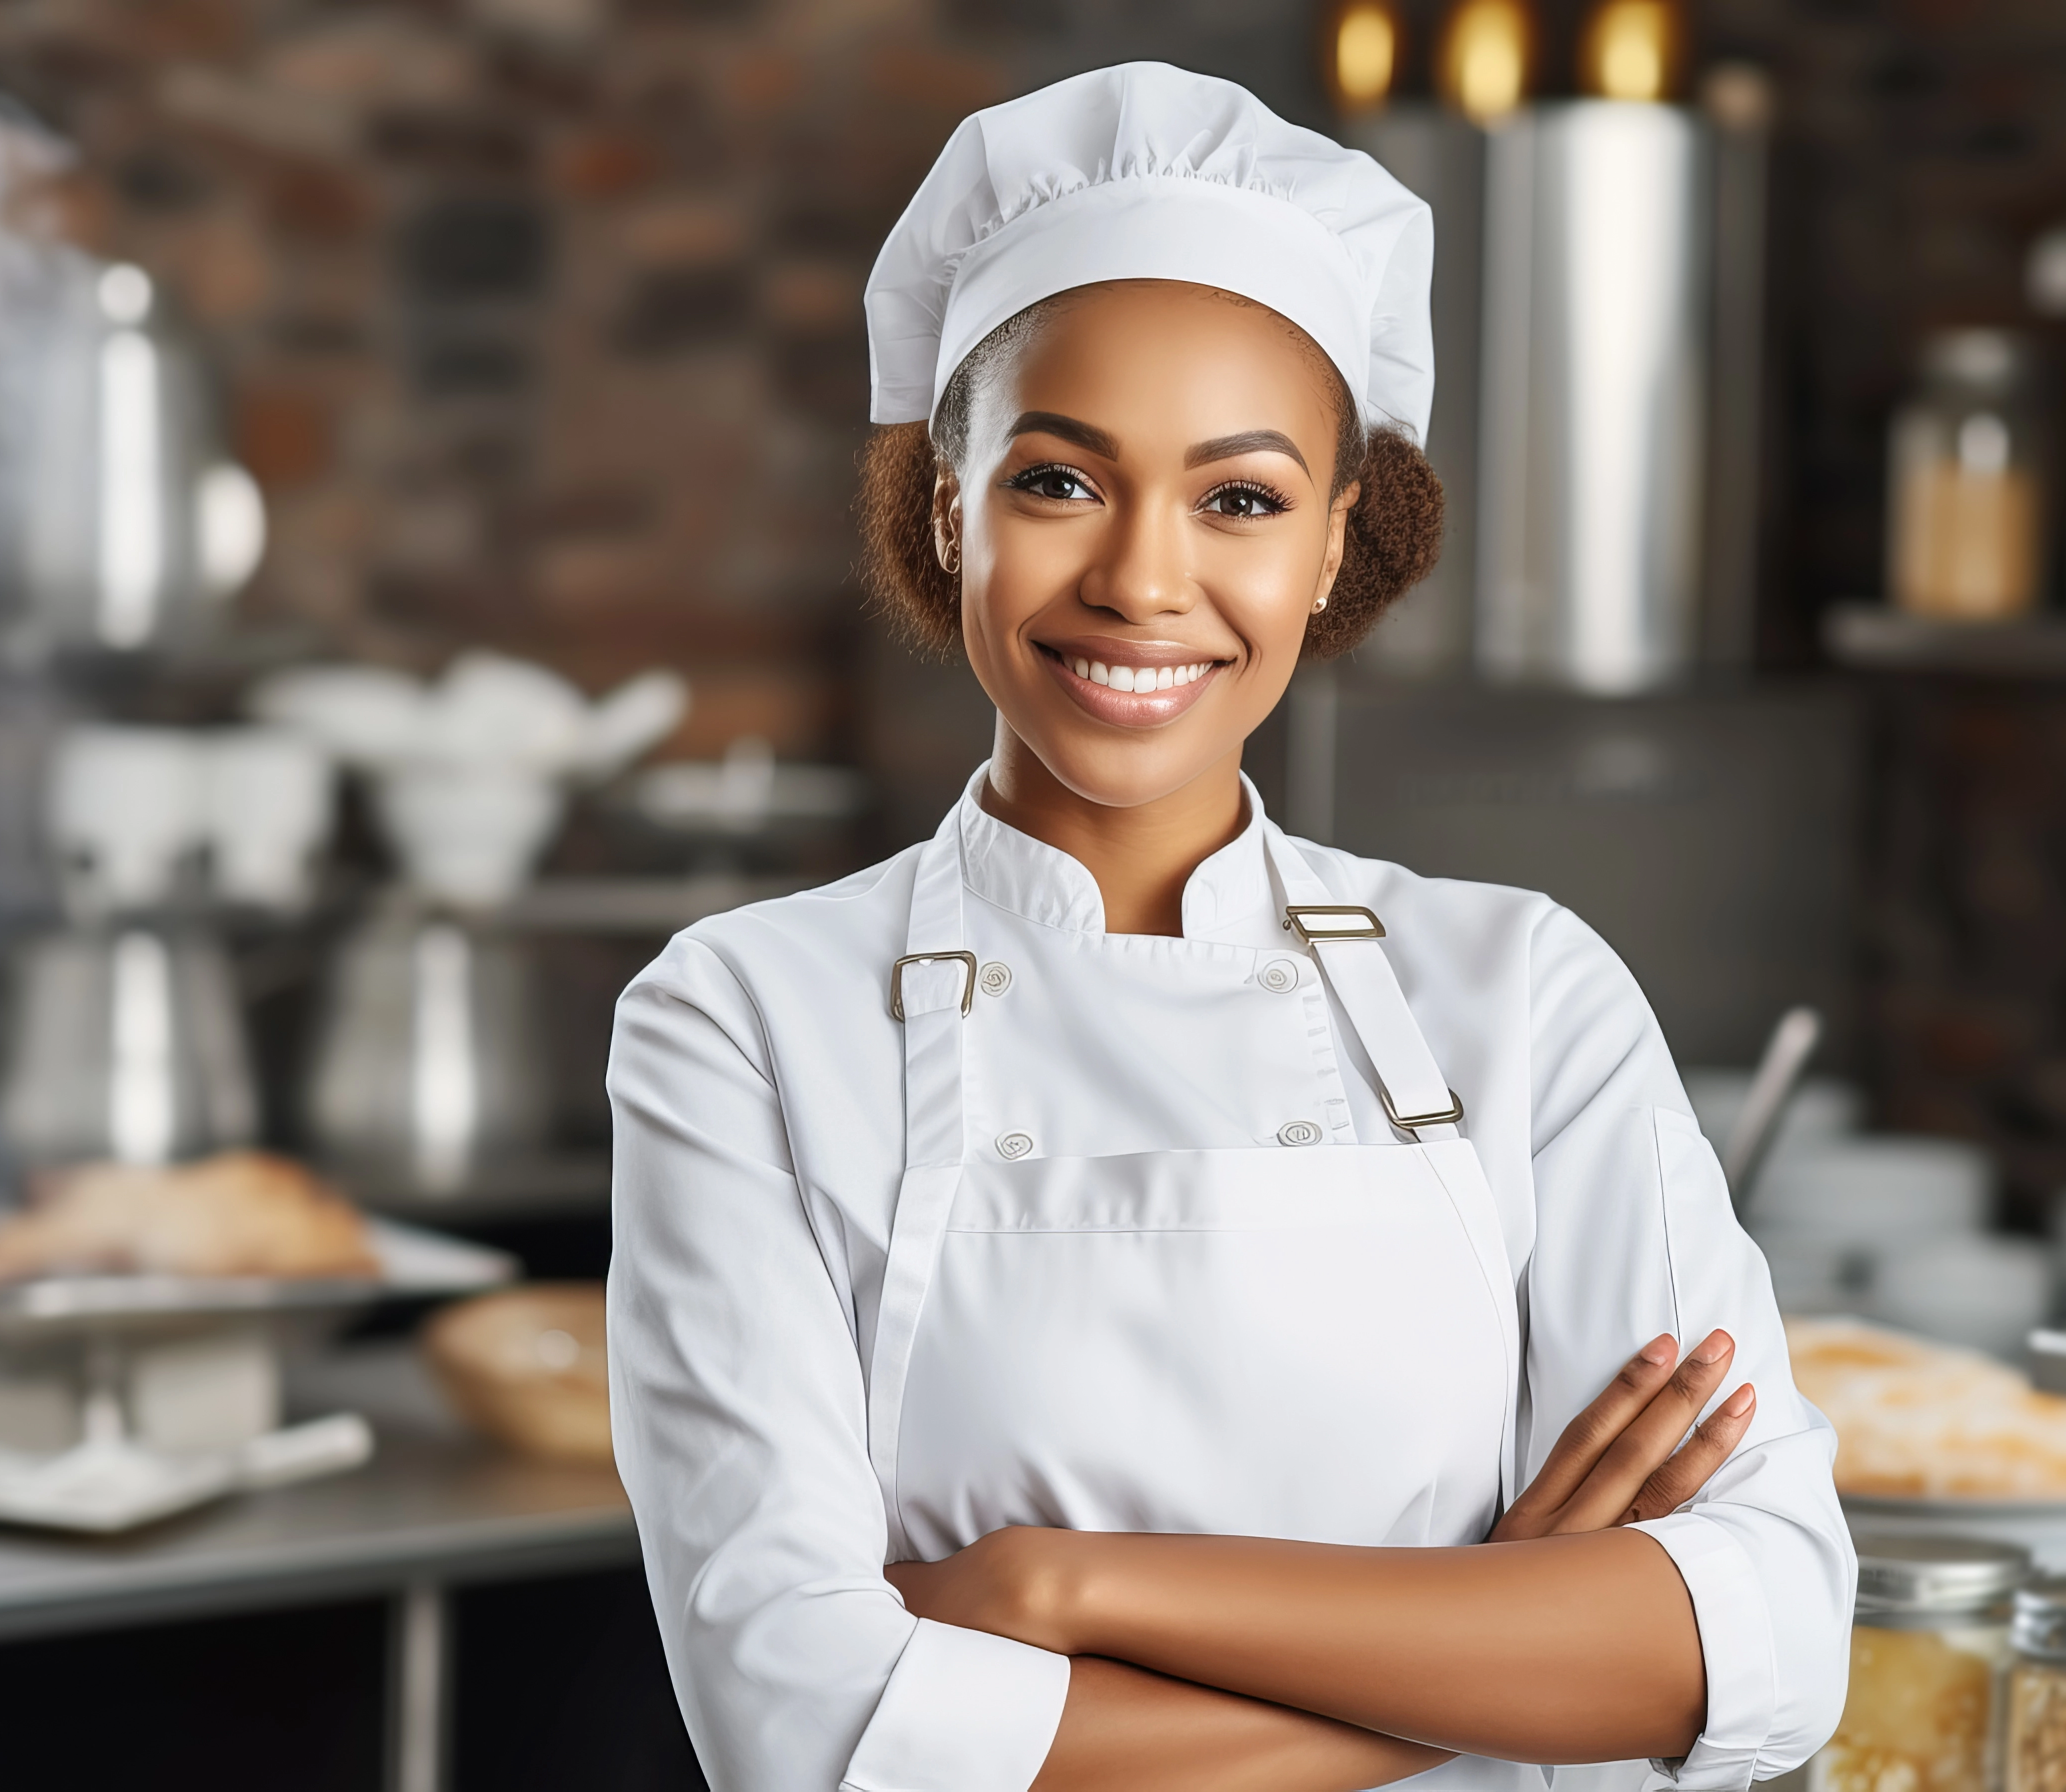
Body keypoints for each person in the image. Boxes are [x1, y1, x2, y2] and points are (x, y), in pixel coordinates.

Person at [607, 62, 1852, 1792]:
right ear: (949, 500)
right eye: (1060, 482)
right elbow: (811, 1730)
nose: (1143, 580)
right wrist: (1499, 1644)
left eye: (1243, 499)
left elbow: (1767, 1641)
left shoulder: (1522, 991)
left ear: (1336, 545)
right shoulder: (744, 1016)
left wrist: (1064, 1589)